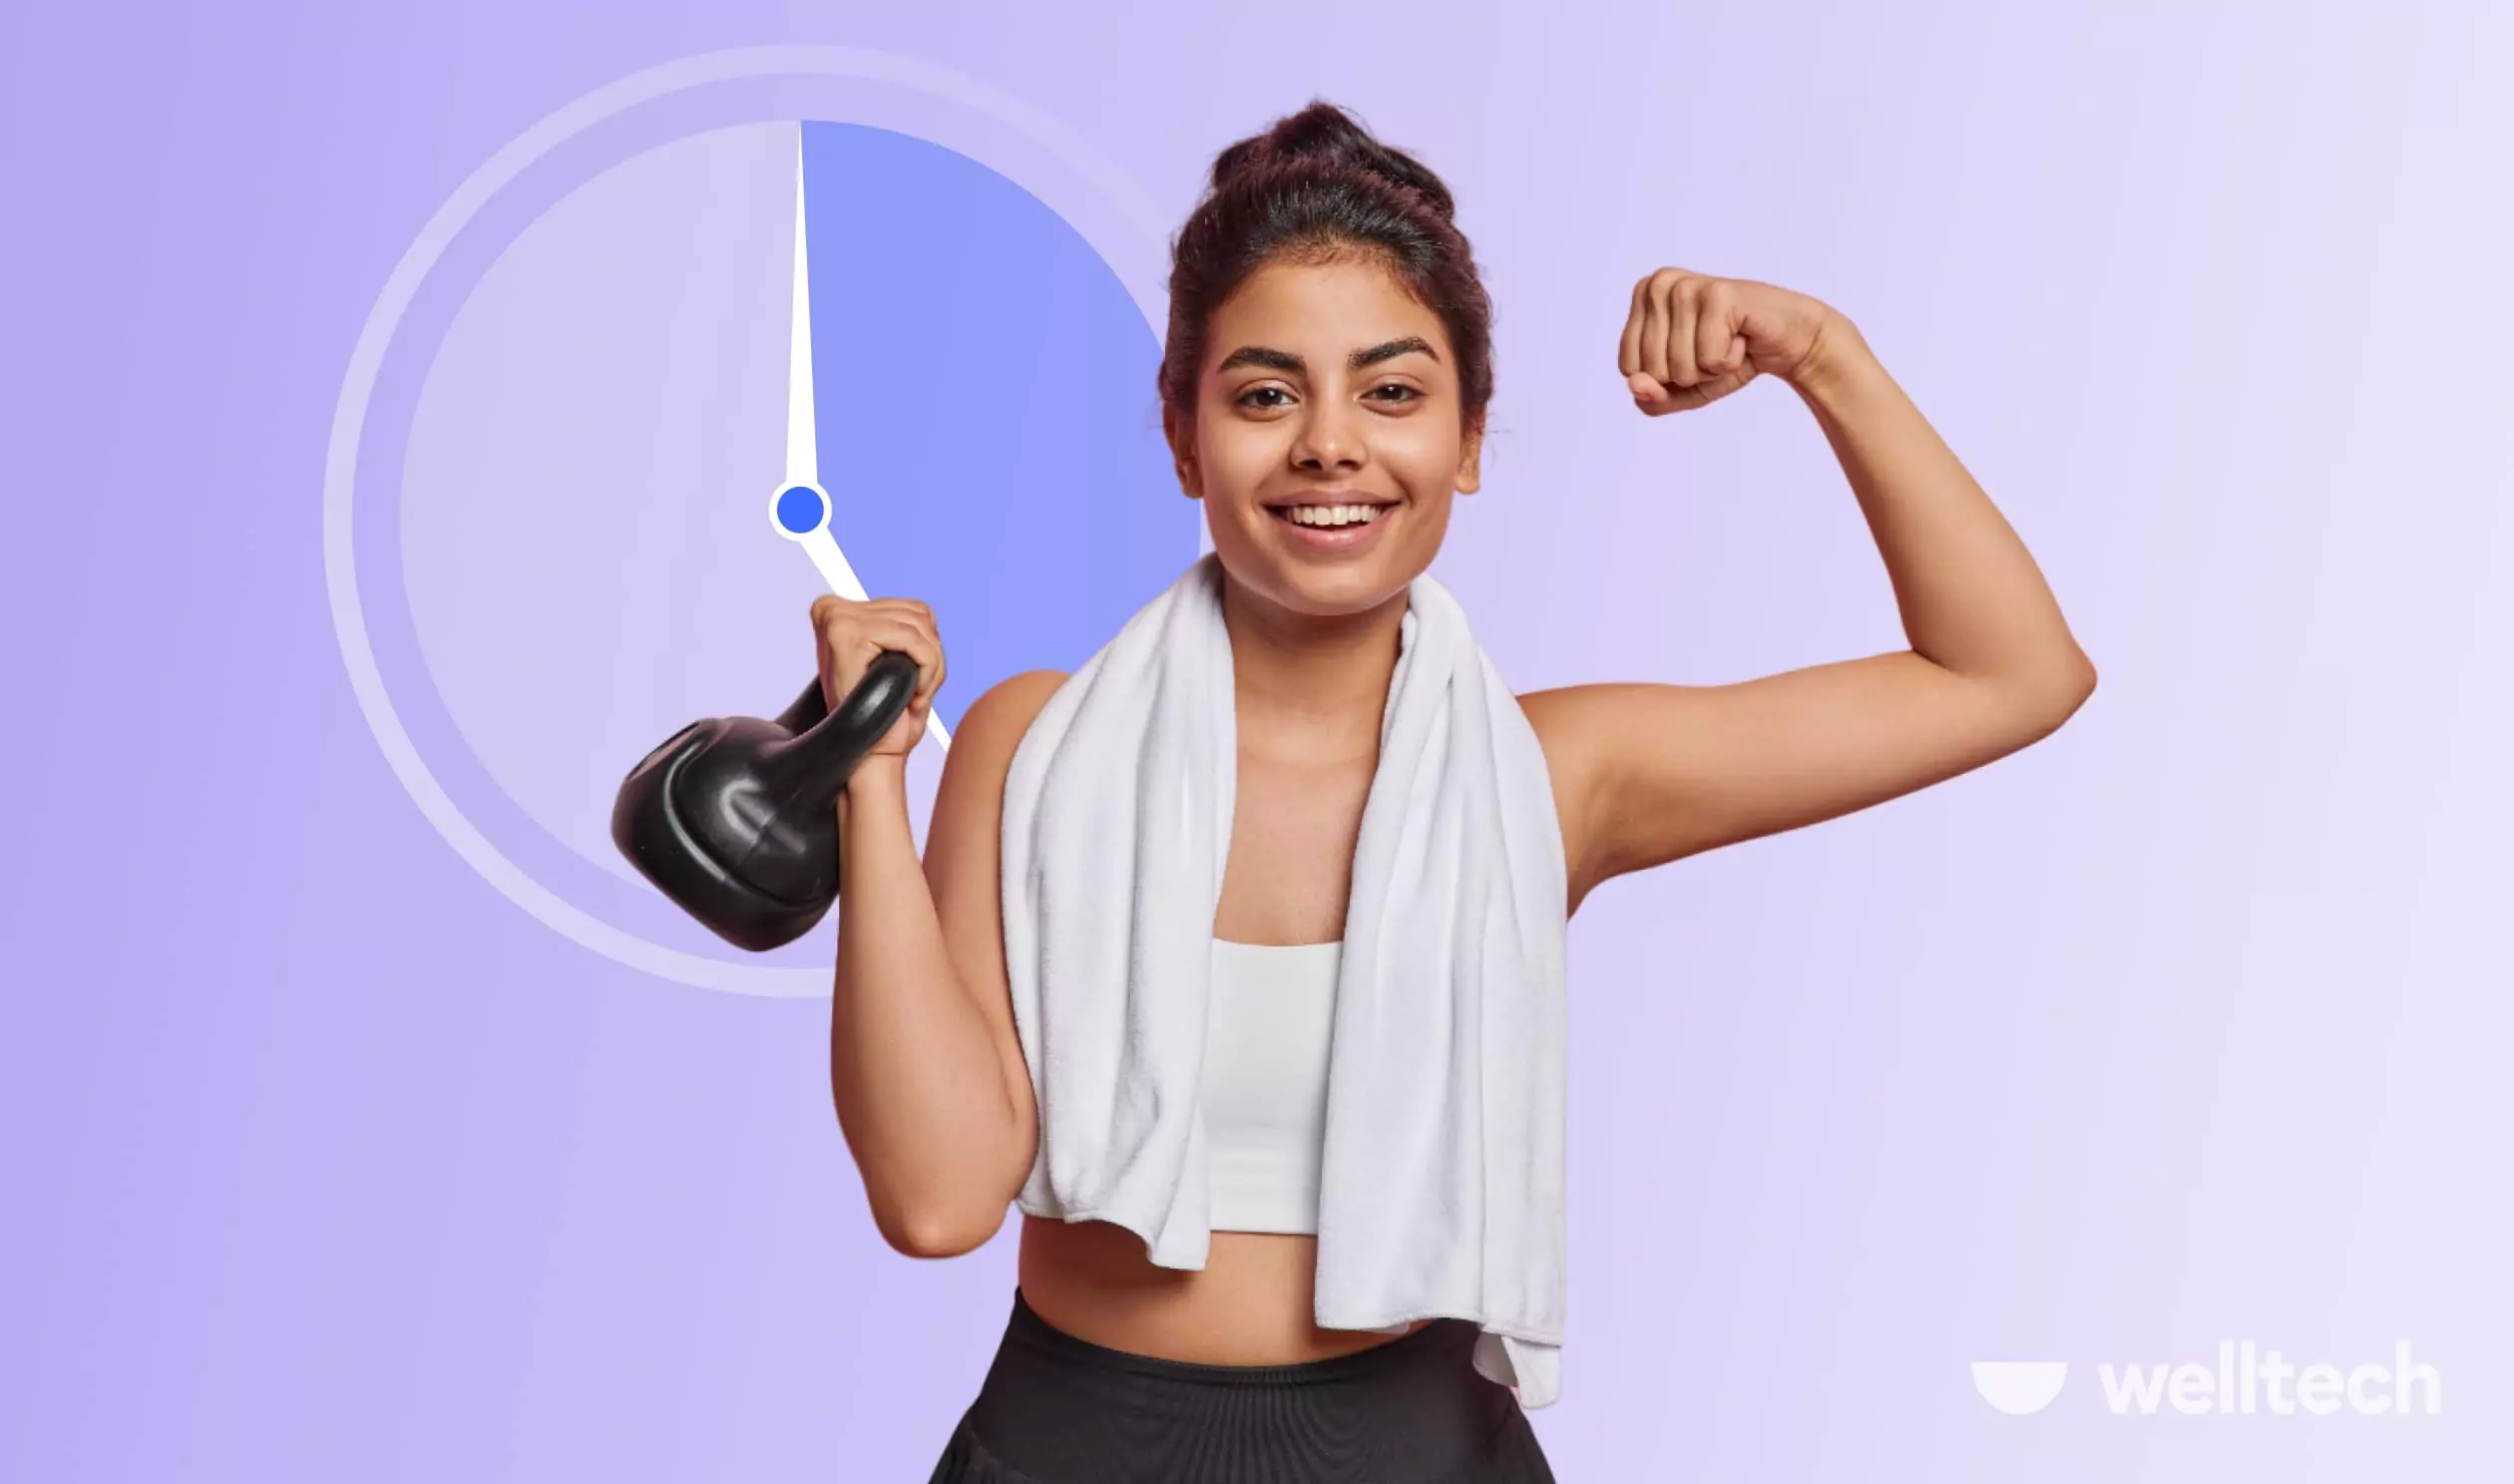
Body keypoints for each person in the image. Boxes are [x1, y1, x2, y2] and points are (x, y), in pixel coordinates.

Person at [809, 100, 2096, 1484]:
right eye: (1263, 393)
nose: (1328, 444)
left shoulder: (1555, 777)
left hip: (1420, 1448)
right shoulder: (1032, 744)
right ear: (1186, 442)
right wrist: (868, 776)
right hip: (1071, 1444)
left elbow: (2012, 674)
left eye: (1393, 390)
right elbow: (939, 1200)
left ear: (1469, 444)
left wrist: (1821, 355)